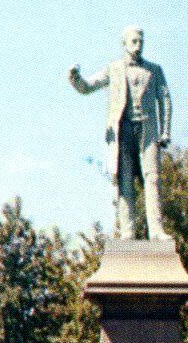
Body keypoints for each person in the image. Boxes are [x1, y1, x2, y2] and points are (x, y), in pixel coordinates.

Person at [68, 26, 172, 240]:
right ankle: (127, 231)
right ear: (124, 43)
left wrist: (165, 131)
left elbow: (165, 100)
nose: (138, 45)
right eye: (134, 41)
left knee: (152, 179)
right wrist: (75, 77)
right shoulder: (113, 69)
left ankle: (157, 230)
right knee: (125, 180)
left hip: (148, 131)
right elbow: (87, 86)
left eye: (141, 41)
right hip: (122, 131)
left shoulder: (154, 70)